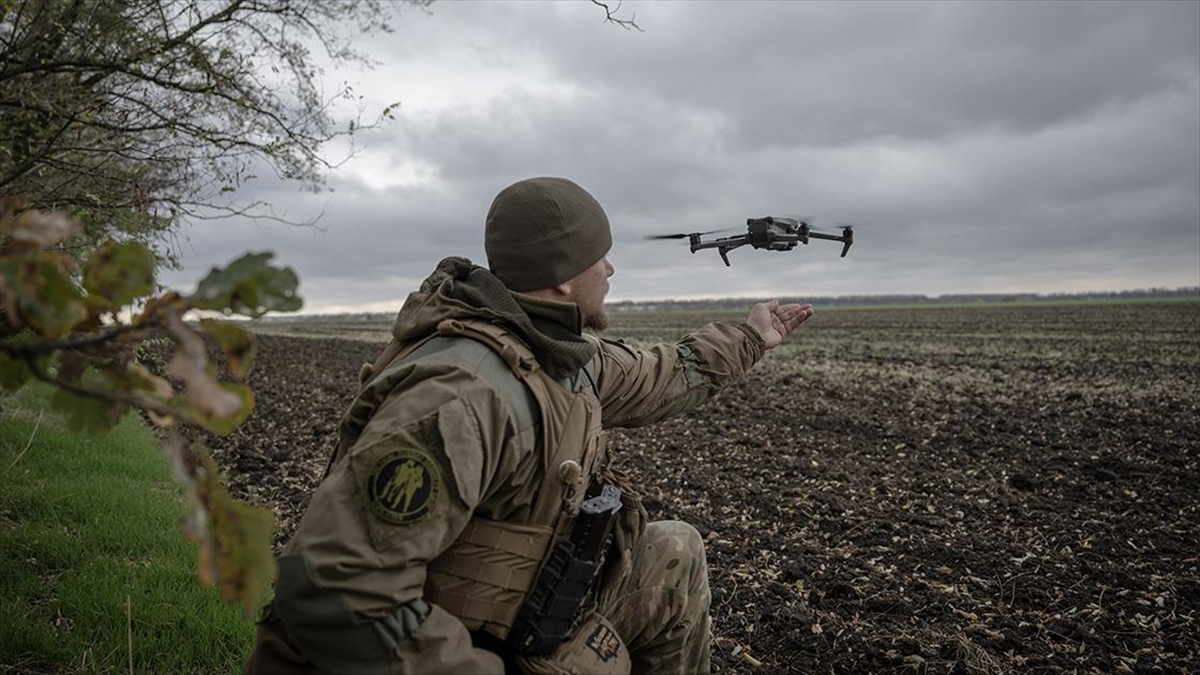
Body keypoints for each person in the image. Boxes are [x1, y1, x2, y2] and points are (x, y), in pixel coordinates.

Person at [245, 176, 814, 674]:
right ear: (564, 278)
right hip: (431, 648)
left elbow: (655, 375)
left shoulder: (553, 353)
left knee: (673, 553)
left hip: (511, 614)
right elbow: (333, 588)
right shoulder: (460, 396)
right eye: (600, 257)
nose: (611, 269)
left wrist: (749, 339)